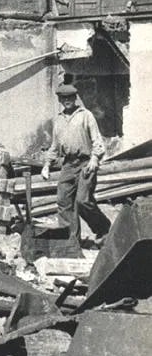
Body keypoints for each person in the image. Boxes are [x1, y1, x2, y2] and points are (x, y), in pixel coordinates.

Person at [41, 83, 110, 250]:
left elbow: (97, 140)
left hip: (86, 162)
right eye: (63, 98)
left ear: (75, 98)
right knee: (63, 201)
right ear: (60, 100)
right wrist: (47, 165)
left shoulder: (85, 115)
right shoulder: (58, 120)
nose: (67, 101)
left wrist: (94, 158)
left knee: (82, 200)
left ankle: (105, 230)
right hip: (68, 165)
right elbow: (55, 146)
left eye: (70, 98)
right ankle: (71, 241)